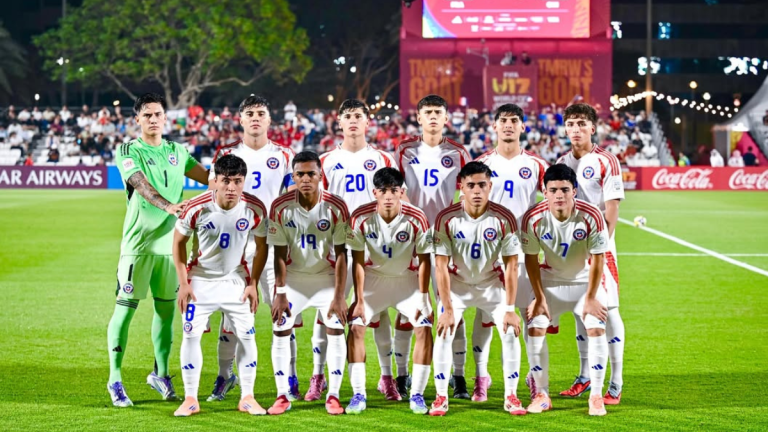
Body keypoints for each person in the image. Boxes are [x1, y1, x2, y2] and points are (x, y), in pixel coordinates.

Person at [107, 93, 209, 407]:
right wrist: (171, 206)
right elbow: (138, 182)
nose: (153, 119)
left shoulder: (179, 152)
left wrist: (229, 188)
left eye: (158, 114)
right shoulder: (128, 150)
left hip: (170, 249)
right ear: (137, 119)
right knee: (124, 312)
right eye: (147, 115)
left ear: (166, 118)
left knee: (166, 314)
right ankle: (115, 379)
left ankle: (161, 375)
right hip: (138, 246)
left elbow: (210, 179)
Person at [203, 95, 299, 402]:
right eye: (249, 114)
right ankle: (224, 376)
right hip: (236, 249)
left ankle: (291, 379)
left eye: (261, 113)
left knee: (282, 314)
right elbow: (210, 198)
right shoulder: (226, 154)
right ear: (240, 120)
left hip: (273, 246)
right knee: (231, 318)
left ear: (269, 120)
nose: (255, 118)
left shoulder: (285, 155)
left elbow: (294, 199)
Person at [316, 99, 401, 402]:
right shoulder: (325, 160)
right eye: (347, 116)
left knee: (377, 313)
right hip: (336, 246)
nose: (353, 121)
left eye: (358, 116)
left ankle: (386, 378)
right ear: (338, 122)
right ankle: (318, 377)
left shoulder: (383, 158)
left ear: (368, 122)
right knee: (329, 310)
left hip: (374, 246)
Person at [172, 154, 268, 416]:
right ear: (214, 180)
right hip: (200, 280)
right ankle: (191, 398)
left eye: (238, 181)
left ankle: (247, 396)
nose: (231, 188)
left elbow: (261, 248)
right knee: (191, 336)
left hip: (236, 280)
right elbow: (178, 243)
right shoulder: (197, 206)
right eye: (225, 181)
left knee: (247, 338)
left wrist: (253, 283)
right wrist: (183, 283)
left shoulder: (255, 208)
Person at [429, 161, 526, 416]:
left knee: (510, 331)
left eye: (482, 185)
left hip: (491, 286)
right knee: (443, 331)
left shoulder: (503, 217)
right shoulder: (445, 217)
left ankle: (511, 396)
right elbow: (440, 266)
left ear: (490, 186)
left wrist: (510, 309)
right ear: (461, 187)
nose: (476, 190)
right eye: (470, 185)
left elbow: (512, 266)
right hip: (457, 286)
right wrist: (447, 308)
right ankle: (440, 397)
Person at [393, 94, 474, 399]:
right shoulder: (403, 149)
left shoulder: (458, 152)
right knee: (408, 307)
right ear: (419, 117)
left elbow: (466, 192)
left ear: (445, 118)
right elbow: (396, 191)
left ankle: (459, 375)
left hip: (444, 238)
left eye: (438, 112)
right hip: (411, 239)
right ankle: (401, 376)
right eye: (427, 112)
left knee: (451, 306)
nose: (433, 117)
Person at [522, 164, 611, 416]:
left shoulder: (591, 215)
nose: (559, 195)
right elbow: (531, 259)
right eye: (553, 190)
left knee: (595, 325)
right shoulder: (533, 218)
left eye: (564, 189)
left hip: (585, 284)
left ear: (575, 191)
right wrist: (539, 297)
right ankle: (542, 394)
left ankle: (596, 395)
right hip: (550, 282)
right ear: (544, 191)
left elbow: (598, 258)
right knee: (535, 325)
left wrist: (592, 297)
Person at [345, 168, 434, 414]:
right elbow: (358, 261)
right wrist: (360, 299)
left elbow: (425, 260)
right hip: (374, 280)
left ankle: (416, 394)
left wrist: (425, 299)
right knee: (356, 327)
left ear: (401, 192)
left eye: (394, 191)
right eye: (383, 191)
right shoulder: (360, 217)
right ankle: (358, 394)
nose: (388, 196)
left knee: (424, 327)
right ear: (374, 192)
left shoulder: (417, 217)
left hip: (407, 280)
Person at [267, 151, 350, 416]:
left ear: (320, 176)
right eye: (300, 174)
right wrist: (280, 292)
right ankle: (282, 395)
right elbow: (279, 254)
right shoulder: (280, 206)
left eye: (311, 174)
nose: (305, 179)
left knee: (335, 330)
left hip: (326, 280)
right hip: (293, 280)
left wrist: (339, 295)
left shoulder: (336, 206)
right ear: (293, 176)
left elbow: (341, 255)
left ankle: (333, 396)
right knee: (280, 329)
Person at [476, 103, 549, 400]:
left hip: (524, 252)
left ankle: (534, 378)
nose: (508, 125)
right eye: (503, 120)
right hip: (490, 255)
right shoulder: (481, 163)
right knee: (485, 317)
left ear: (523, 127)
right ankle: (481, 376)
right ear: (494, 126)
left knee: (531, 317)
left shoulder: (536, 164)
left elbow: (550, 204)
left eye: (514, 120)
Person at [556, 103, 625, 405]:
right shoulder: (561, 161)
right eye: (571, 123)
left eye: (582, 123)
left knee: (607, 311)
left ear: (593, 128)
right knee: (578, 310)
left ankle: (616, 382)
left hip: (599, 248)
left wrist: (597, 248)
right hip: (570, 248)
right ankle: (584, 376)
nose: (576, 129)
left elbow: (611, 212)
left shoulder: (606, 161)